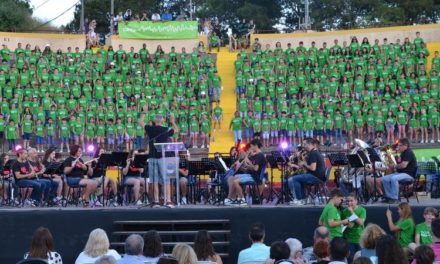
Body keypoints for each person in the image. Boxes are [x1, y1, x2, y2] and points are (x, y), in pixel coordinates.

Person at [139, 114, 177, 208]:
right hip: (163, 157)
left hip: (153, 156)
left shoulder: (151, 129)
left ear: (154, 121)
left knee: (155, 180)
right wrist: (173, 121)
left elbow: (140, 122)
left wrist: (144, 112)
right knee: (166, 179)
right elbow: (176, 130)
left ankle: (156, 201)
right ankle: (168, 200)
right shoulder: (166, 129)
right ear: (163, 120)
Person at [224, 139, 266, 206]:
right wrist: (246, 161)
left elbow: (255, 169)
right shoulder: (255, 155)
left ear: (256, 146)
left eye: (252, 146)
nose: (251, 148)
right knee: (231, 178)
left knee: (235, 181)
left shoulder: (260, 156)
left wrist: (248, 161)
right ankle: (231, 199)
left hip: (255, 177)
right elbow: (250, 167)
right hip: (250, 174)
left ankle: (242, 200)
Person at [288, 138, 326, 205]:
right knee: (299, 179)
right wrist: (299, 158)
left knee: (293, 179)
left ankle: (299, 200)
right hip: (317, 176)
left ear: (310, 144)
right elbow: (305, 166)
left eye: (305, 144)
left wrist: (304, 164)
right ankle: (303, 199)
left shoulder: (313, 153)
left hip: (316, 177)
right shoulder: (314, 152)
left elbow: (313, 168)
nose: (304, 146)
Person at [382, 138, 417, 203]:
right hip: (401, 173)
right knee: (385, 178)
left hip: (408, 174)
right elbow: (399, 164)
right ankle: (389, 197)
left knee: (394, 178)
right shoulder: (402, 153)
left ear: (405, 145)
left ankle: (395, 198)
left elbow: (404, 165)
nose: (398, 147)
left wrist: (394, 166)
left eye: (400, 145)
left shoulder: (408, 152)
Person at [341, 193, 366, 263]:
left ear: (356, 201)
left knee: (362, 260)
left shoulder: (362, 210)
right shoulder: (344, 212)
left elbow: (361, 222)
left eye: (351, 201)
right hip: (349, 240)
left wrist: (352, 212)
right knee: (350, 260)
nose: (349, 203)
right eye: (348, 201)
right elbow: (342, 224)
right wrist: (346, 224)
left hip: (359, 239)